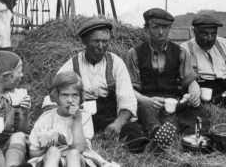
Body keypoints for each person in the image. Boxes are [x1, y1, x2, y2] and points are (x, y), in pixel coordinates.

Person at [41, 17, 147, 153]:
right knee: (64, 136)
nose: (101, 46)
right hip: (81, 115)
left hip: (109, 116)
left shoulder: (116, 63)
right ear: (85, 41)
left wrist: (118, 124)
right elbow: (53, 97)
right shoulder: (71, 65)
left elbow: (127, 98)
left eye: (105, 41)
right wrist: (54, 118)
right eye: (96, 41)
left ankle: (146, 146)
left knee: (133, 134)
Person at [124, 8, 208, 149]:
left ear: (170, 28)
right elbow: (129, 89)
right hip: (147, 100)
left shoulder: (181, 52)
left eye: (165, 27)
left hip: (173, 100)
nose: (161, 32)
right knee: (143, 109)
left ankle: (191, 138)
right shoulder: (134, 53)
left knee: (195, 107)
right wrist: (146, 100)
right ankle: (158, 134)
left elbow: (190, 79)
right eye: (155, 27)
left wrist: (195, 92)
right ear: (146, 29)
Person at [29, 72, 118, 167]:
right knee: (53, 151)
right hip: (50, 160)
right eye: (64, 95)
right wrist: (45, 150)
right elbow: (33, 152)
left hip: (77, 160)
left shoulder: (84, 116)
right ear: (56, 97)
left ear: (81, 97)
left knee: (73, 153)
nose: (70, 100)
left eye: (75, 95)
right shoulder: (46, 118)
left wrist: (77, 120)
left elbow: (79, 148)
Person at [181, 14, 226, 102]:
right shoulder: (185, 49)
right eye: (205, 34)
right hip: (202, 92)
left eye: (213, 34)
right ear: (194, 32)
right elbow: (184, 79)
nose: (210, 38)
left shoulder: (224, 44)